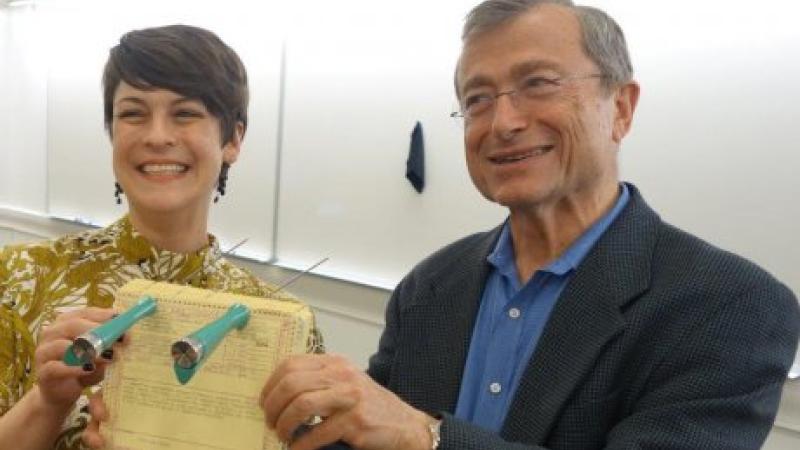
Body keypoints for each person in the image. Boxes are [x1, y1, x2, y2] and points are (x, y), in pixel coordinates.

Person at [259, 1, 800, 449]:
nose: (504, 122)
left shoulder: (729, 306)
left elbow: (402, 431)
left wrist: (426, 437)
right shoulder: (430, 286)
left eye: (538, 83)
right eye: (477, 100)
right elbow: (367, 431)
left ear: (622, 108)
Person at [0, 24, 321, 450]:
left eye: (185, 113)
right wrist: (47, 401)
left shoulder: (283, 321)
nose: (157, 136)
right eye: (132, 113)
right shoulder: (22, 278)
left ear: (233, 139)